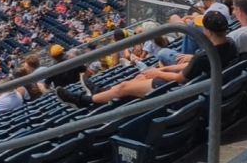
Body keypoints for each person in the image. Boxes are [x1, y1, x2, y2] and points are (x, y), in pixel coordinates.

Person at [62, 13, 236, 107]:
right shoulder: (230, 44)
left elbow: (181, 78)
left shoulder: (204, 56)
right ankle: (99, 90)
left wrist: (158, 71)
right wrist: (167, 69)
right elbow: (190, 67)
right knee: (139, 78)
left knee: (125, 86)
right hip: (198, 85)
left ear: (207, 31)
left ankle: (84, 101)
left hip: (178, 91)